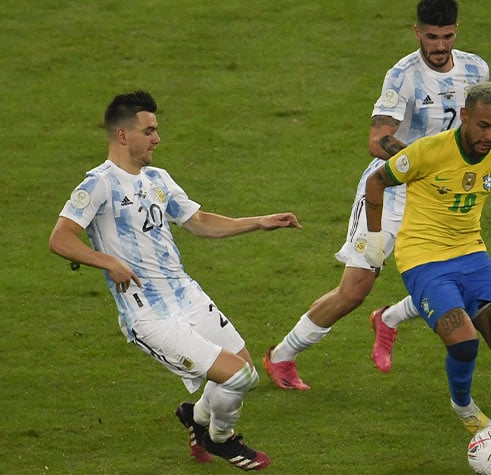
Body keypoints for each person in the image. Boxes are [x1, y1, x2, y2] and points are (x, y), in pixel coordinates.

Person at [48, 91, 301, 471]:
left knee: (242, 371)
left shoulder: (157, 178)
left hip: (186, 294)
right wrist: (107, 262)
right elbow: (60, 238)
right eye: (149, 131)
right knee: (237, 376)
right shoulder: (99, 184)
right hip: (149, 315)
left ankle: (196, 416)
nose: (157, 138)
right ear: (122, 135)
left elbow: (198, 222)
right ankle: (219, 439)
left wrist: (259, 222)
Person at [263, 0, 490, 389]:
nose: (439, 46)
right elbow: (378, 139)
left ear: (457, 30)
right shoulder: (403, 76)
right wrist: (425, 160)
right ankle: (281, 357)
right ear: (417, 32)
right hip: (391, 190)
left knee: (456, 282)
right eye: (432, 37)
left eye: (447, 36)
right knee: (354, 290)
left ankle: (389, 318)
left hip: (438, 197)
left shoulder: (476, 69)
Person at [363, 81, 491, 458]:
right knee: (465, 341)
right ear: (466, 117)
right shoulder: (429, 151)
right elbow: (377, 182)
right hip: (422, 258)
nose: (490, 136)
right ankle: (464, 407)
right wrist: (374, 242)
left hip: (472, 257)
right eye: (483, 126)